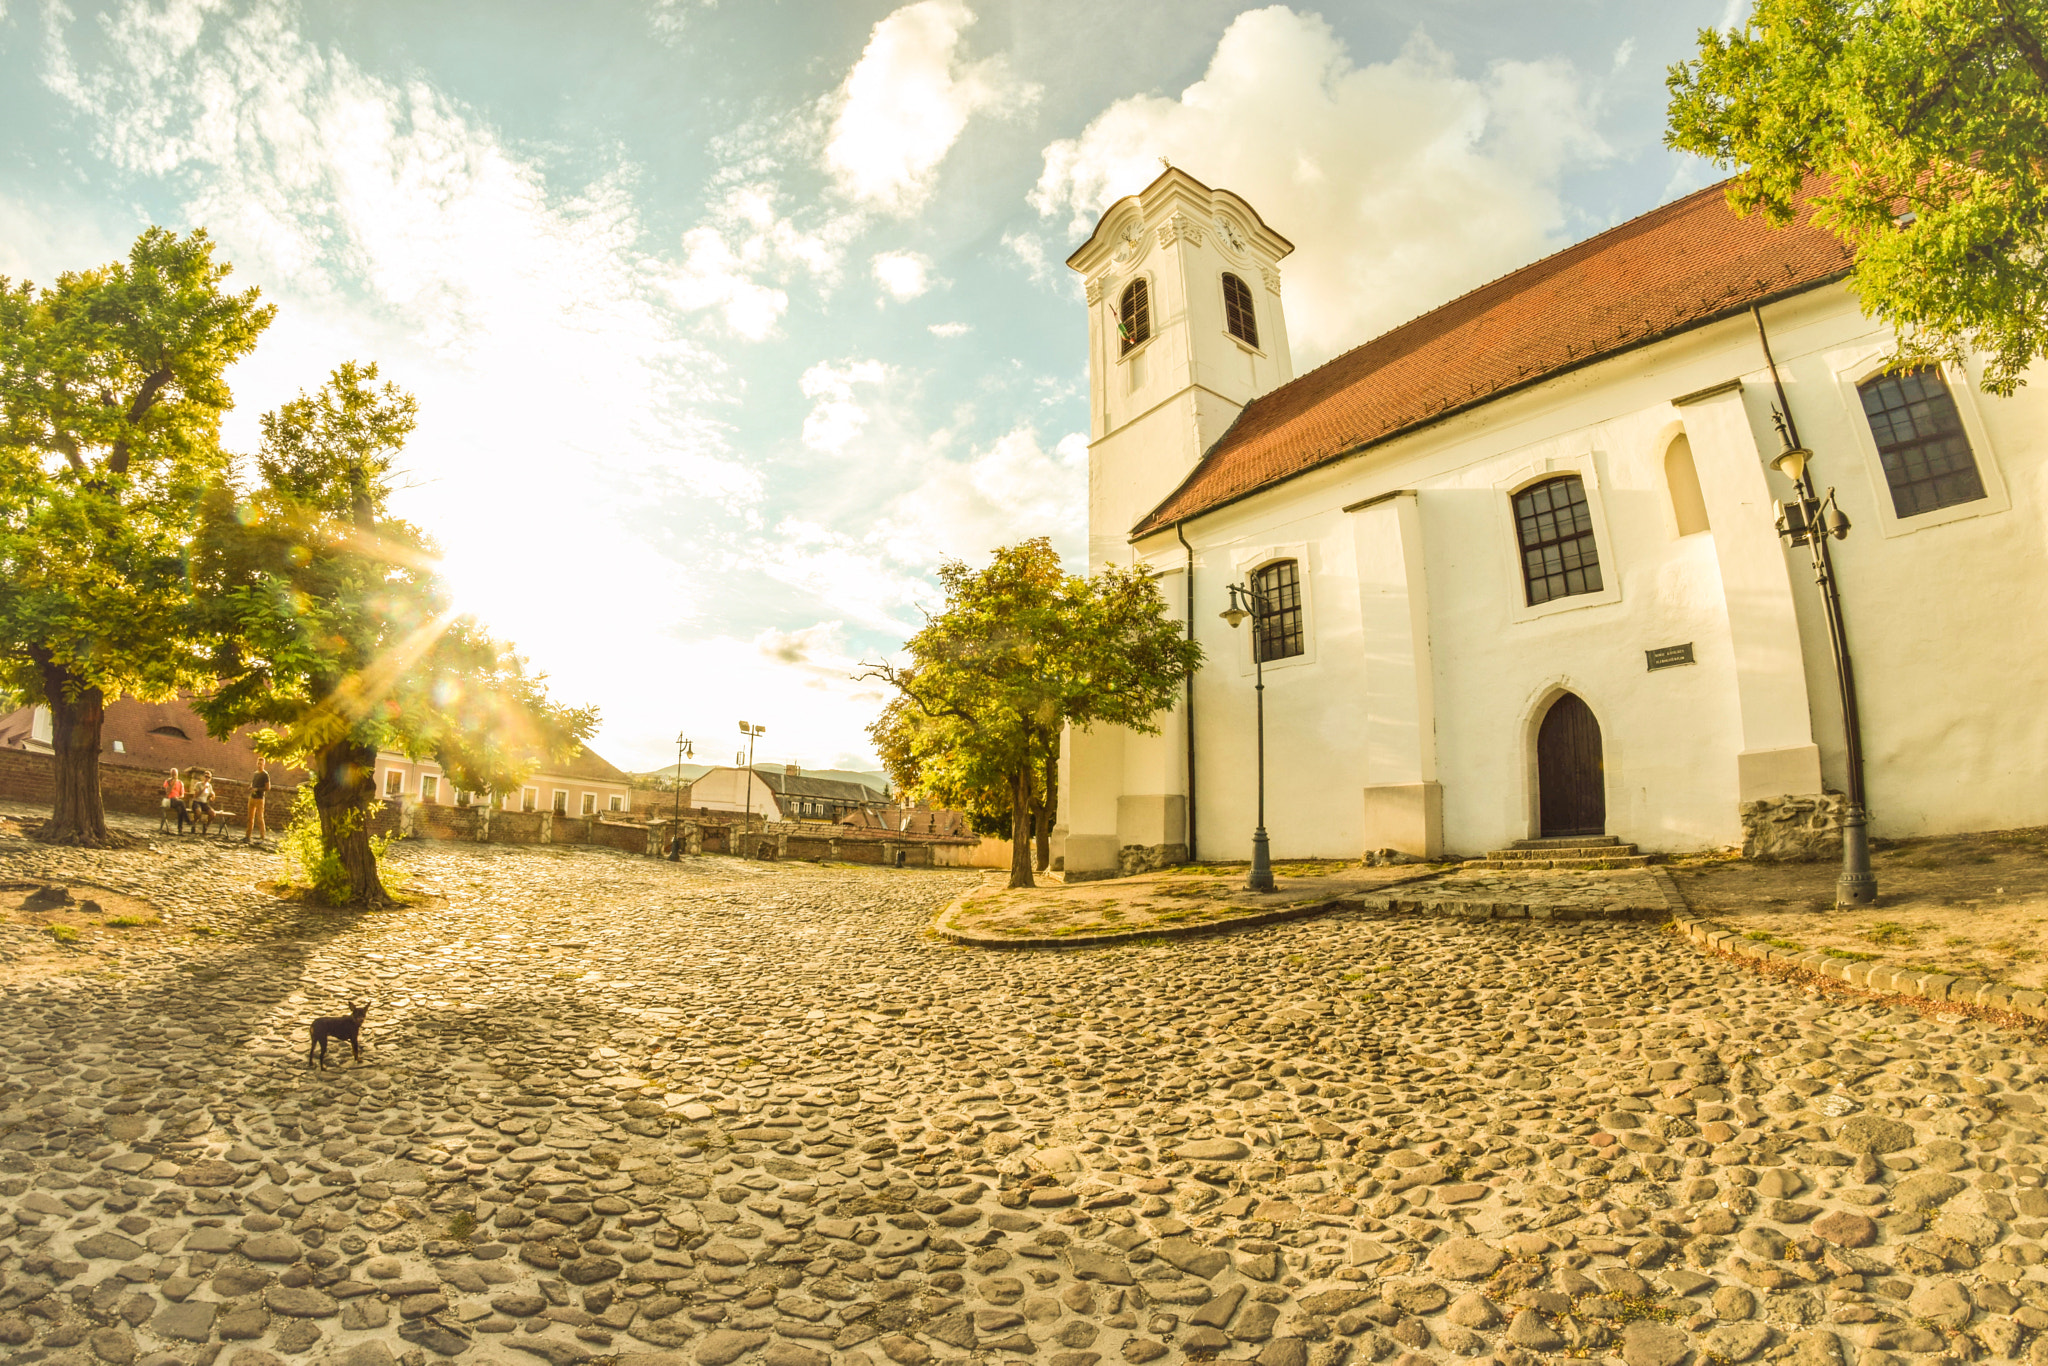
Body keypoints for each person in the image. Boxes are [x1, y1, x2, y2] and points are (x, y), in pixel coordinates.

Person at [246, 761, 271, 844]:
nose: (259, 765)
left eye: (261, 764)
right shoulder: (255, 773)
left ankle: (262, 837)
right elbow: (253, 783)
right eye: (258, 764)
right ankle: (247, 836)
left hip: (259, 798)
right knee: (250, 818)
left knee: (260, 818)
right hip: (252, 797)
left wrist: (257, 789)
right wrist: (251, 787)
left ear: (264, 765)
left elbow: (268, 787)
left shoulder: (265, 774)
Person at [191, 771, 217, 836]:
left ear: (210, 779)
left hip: (204, 803)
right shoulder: (198, 784)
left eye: (209, 777)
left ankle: (206, 826)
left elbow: (212, 794)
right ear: (203, 777)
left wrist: (212, 796)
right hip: (196, 802)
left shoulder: (209, 786)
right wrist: (203, 789)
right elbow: (195, 796)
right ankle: (194, 823)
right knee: (198, 812)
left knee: (213, 813)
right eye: (206, 777)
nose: (207, 778)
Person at [159, 769, 184, 834]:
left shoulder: (180, 783)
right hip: (169, 801)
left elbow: (182, 795)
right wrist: (173, 784)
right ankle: (188, 820)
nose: (174, 775)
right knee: (181, 803)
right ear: (170, 774)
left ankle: (180, 829)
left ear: (177, 774)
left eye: (175, 774)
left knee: (180, 810)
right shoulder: (167, 781)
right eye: (172, 774)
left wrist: (178, 797)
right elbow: (167, 793)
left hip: (176, 801)